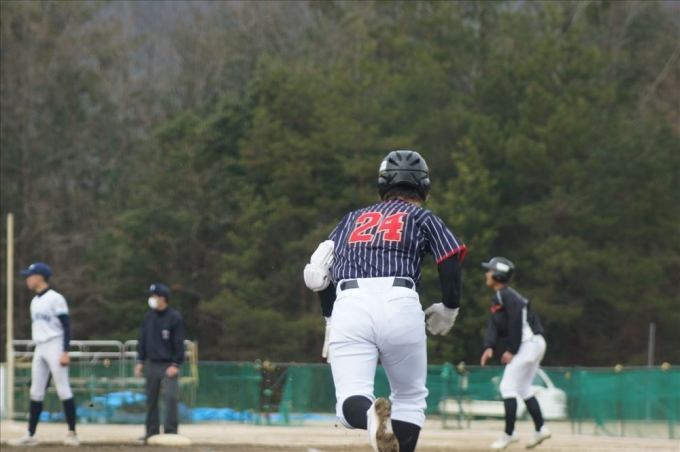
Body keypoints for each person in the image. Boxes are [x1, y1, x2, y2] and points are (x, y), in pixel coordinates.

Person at [303, 150, 466, 452]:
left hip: (349, 302)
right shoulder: (422, 216)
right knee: (409, 398)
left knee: (350, 399)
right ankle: (384, 431)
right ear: (424, 187)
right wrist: (450, 306)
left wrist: (329, 318)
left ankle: (370, 417)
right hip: (399, 300)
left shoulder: (351, 219)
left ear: (383, 185)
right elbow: (450, 258)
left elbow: (319, 271)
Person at [479, 257, 551, 450]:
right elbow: (495, 323)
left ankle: (509, 433)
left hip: (528, 343)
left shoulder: (506, 295)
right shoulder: (503, 295)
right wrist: (489, 346)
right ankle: (540, 429)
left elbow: (515, 322)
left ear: (497, 275)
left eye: (490, 271)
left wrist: (512, 349)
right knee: (523, 387)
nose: (487, 274)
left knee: (507, 386)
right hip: (536, 343)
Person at [9, 262, 80, 447]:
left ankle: (72, 433)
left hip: (55, 344)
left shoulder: (55, 298)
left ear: (40, 277)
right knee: (36, 391)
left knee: (63, 389)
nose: (27, 279)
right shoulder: (35, 301)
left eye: (30, 275)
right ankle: (31, 434)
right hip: (40, 347)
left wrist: (65, 351)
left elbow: (66, 325)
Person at [135, 283, 185, 443]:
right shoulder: (148, 317)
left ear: (162, 298)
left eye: (153, 296)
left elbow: (178, 343)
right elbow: (142, 340)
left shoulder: (175, 317)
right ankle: (151, 431)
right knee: (151, 398)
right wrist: (140, 361)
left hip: (168, 364)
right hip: (152, 363)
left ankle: (170, 431)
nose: (151, 299)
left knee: (170, 396)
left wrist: (175, 364)